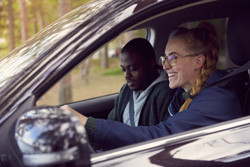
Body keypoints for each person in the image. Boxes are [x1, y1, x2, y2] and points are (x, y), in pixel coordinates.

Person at [62, 22, 242, 150]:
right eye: (164, 58)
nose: (164, 66)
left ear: (198, 61)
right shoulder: (185, 94)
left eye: (172, 58)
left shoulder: (218, 99)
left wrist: (87, 124)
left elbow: (160, 138)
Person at [108, 38, 176, 126]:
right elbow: (111, 124)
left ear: (151, 64)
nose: (127, 75)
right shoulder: (126, 90)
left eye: (133, 69)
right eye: (123, 69)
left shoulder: (166, 94)